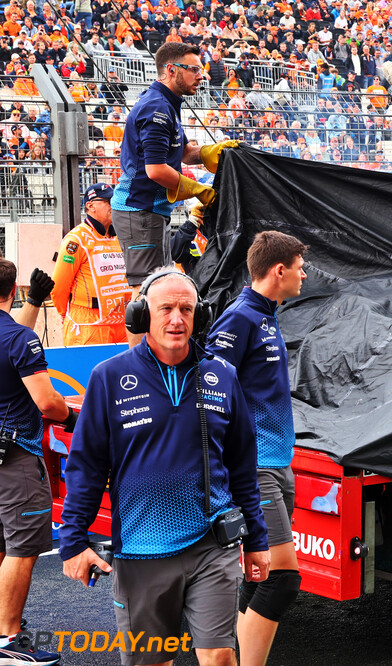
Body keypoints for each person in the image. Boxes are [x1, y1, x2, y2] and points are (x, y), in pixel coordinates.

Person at [58, 268, 270, 666]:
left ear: (199, 317)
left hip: (213, 545)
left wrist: (258, 540)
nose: (177, 319)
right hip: (141, 551)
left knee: (220, 657)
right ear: (143, 316)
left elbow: (243, 466)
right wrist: (73, 542)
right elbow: (85, 466)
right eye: (166, 308)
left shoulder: (221, 376)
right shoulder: (109, 378)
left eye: (187, 309)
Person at [205, 231, 307, 666]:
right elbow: (209, 390)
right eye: (300, 267)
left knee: (259, 573)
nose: (305, 274)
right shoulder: (241, 318)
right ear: (278, 270)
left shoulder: (267, 314)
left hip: (278, 460)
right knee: (281, 579)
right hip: (255, 466)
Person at [110, 41, 237, 341]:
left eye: (201, 70)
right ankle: (139, 367)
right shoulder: (156, 108)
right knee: (145, 292)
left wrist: (210, 153)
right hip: (138, 211)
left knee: (159, 286)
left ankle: (156, 361)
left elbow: (181, 154)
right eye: (193, 69)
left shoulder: (167, 104)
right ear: (170, 70)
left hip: (152, 212)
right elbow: (156, 170)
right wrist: (199, 190)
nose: (200, 75)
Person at [0, 258, 72, 666]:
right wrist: (77, 417)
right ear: (13, 292)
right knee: (23, 548)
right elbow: (49, 402)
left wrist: (35, 302)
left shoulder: (13, 336)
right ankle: (8, 640)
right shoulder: (18, 340)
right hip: (14, 458)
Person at [48, 182, 133, 346]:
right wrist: (64, 314)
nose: (113, 205)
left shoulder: (120, 236)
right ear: (90, 206)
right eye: (108, 202)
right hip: (89, 324)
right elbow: (59, 286)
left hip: (122, 322)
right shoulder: (76, 239)